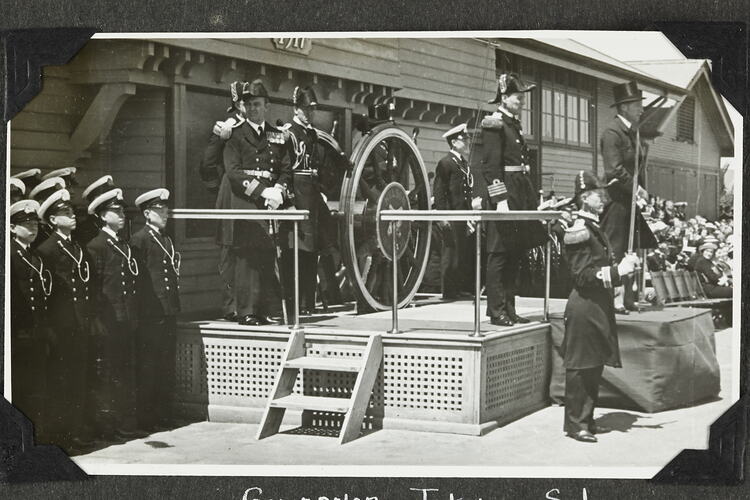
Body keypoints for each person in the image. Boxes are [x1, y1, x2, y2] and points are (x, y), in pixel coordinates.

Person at [562, 171, 640, 443]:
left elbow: (600, 266)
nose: (603, 198)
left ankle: (587, 419)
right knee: (581, 367)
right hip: (584, 305)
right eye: (598, 193)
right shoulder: (579, 230)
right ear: (585, 197)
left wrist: (623, 267)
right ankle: (575, 424)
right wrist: (618, 271)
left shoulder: (594, 226)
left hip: (597, 304)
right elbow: (583, 276)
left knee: (593, 365)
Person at [472, 73, 546, 326]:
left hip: (519, 194)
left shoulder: (513, 124)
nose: (522, 101)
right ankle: (496, 311)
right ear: (505, 97)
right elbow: (491, 167)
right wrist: (500, 198)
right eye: (518, 97)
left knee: (515, 252)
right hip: (505, 196)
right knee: (499, 254)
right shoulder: (495, 124)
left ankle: (510, 308)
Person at [216, 79, 292, 326]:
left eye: (258, 104)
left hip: (269, 203)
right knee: (247, 258)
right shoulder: (235, 136)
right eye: (249, 105)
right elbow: (233, 172)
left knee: (266, 256)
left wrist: (279, 189)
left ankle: (263, 309)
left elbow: (285, 168)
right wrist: (263, 191)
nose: (253, 109)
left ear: (267, 106)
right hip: (245, 201)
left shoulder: (276, 135)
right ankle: (246, 311)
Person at [35, 181, 94, 450]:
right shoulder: (46, 250)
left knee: (79, 378)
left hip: (80, 323)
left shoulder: (78, 246)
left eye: (72, 212)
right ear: (52, 219)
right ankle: (62, 436)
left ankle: (77, 430)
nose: (72, 216)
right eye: (65, 213)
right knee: (61, 381)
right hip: (62, 326)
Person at [84, 176, 140, 440]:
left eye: (122, 211)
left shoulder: (121, 243)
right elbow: (94, 288)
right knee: (108, 374)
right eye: (116, 212)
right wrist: (97, 319)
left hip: (125, 318)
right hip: (109, 320)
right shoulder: (97, 246)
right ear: (103, 216)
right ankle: (107, 427)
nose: (122, 216)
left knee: (123, 371)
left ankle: (122, 424)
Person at [599, 81, 657, 314]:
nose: (641, 109)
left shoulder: (634, 133)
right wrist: (636, 189)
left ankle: (628, 297)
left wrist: (641, 192)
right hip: (615, 200)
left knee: (631, 249)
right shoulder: (613, 133)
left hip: (630, 200)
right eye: (636, 105)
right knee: (616, 248)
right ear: (623, 107)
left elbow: (637, 167)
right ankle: (614, 299)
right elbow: (614, 169)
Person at [130, 188, 181, 431]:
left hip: (168, 310)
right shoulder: (140, 239)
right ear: (148, 213)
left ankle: (163, 415)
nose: (166, 213)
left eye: (166, 209)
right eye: (161, 210)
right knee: (149, 366)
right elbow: (137, 281)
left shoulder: (166, 238)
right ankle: (147, 418)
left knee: (165, 364)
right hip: (151, 313)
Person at [204, 81, 251, 321]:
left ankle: (248, 307)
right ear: (237, 104)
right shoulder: (229, 127)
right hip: (231, 195)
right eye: (245, 102)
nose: (249, 106)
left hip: (251, 195)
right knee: (230, 251)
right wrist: (219, 190)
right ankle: (231, 307)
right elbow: (207, 164)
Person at [281, 86, 327, 315]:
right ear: (296, 109)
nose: (310, 113)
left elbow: (316, 166)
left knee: (311, 251)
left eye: (312, 109)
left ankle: (309, 303)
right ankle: (295, 304)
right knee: (295, 252)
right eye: (306, 109)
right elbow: (285, 170)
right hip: (297, 198)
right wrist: (289, 200)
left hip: (311, 198)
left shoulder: (311, 134)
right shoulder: (287, 133)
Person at [9, 199, 51, 442]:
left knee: (37, 386)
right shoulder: (11, 256)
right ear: (13, 228)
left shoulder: (34, 255)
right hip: (21, 332)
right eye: (26, 224)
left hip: (37, 332)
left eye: (34, 223)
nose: (33, 227)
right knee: (23, 388)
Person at [433, 122, 475, 299]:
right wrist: (443, 217)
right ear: (454, 142)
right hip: (451, 215)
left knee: (461, 253)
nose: (467, 142)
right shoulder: (446, 163)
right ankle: (449, 291)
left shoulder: (462, 163)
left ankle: (458, 288)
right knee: (450, 253)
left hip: (462, 215)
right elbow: (440, 192)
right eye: (464, 139)